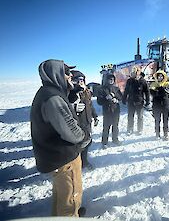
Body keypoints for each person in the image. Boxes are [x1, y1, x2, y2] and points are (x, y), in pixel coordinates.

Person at [30, 59, 90, 217]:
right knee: (70, 199)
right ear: (56, 74)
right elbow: (70, 131)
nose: (71, 76)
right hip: (64, 157)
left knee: (61, 196)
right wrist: (84, 136)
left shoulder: (47, 92)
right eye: (67, 73)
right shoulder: (53, 97)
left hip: (54, 156)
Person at [69, 70, 98, 169]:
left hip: (87, 121)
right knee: (78, 145)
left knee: (87, 142)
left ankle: (84, 161)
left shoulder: (87, 91)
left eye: (82, 80)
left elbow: (90, 105)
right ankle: (77, 164)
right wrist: (73, 108)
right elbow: (63, 108)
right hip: (77, 123)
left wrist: (95, 116)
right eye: (78, 80)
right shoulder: (70, 93)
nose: (80, 82)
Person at [97, 74, 122, 148]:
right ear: (106, 80)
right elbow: (99, 102)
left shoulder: (116, 88)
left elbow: (121, 97)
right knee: (106, 126)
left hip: (116, 110)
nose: (111, 80)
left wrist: (116, 99)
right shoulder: (102, 89)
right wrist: (106, 98)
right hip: (107, 110)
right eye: (109, 79)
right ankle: (104, 142)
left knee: (115, 126)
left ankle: (115, 139)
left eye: (112, 79)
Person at [122, 66, 150, 135]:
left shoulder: (142, 81)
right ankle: (130, 129)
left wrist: (147, 101)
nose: (133, 74)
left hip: (139, 102)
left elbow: (147, 92)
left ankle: (140, 129)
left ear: (138, 72)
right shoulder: (129, 81)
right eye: (132, 72)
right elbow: (126, 90)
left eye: (135, 72)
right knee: (130, 116)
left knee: (140, 116)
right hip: (131, 101)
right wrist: (124, 98)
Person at [149, 70, 169, 140]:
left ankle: (166, 133)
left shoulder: (167, 84)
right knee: (157, 120)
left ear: (164, 77)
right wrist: (158, 91)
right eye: (159, 76)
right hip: (156, 105)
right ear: (156, 77)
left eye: (162, 76)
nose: (160, 77)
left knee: (166, 120)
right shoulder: (153, 84)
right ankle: (157, 133)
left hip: (166, 104)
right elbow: (152, 93)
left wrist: (162, 90)